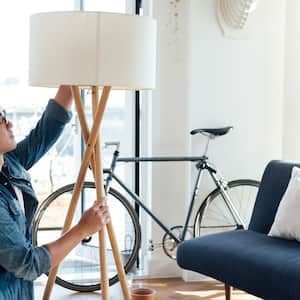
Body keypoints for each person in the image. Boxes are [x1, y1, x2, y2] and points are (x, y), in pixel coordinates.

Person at [0, 85, 110, 299]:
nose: (10, 123)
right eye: (2, 119)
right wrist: (82, 229)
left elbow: (47, 129)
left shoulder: (9, 164)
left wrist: (73, 78)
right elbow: (27, 264)